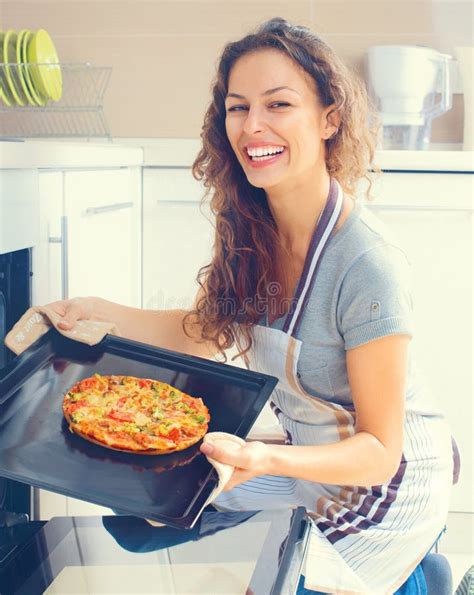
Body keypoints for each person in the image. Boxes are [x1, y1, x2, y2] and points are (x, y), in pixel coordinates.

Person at [38, 18, 455, 594]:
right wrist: (96, 310)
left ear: (330, 118)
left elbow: (381, 452)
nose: (253, 126)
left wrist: (263, 460)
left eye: (278, 104)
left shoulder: (366, 263)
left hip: (385, 493)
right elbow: (206, 331)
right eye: (238, 108)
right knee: (140, 523)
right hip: (310, 465)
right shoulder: (253, 227)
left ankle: (423, 572)